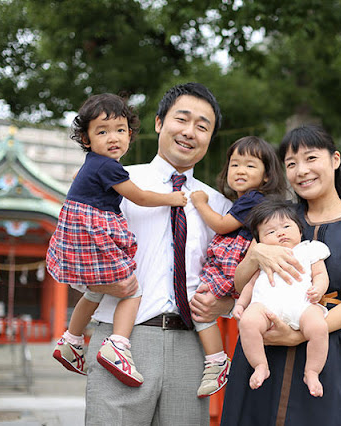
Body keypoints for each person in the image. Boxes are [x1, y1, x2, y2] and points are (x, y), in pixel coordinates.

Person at [83, 83, 235, 425]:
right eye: (182, 119)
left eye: (202, 126)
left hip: (190, 346)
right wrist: (104, 281)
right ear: (158, 123)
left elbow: (231, 280)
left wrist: (224, 304)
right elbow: (77, 257)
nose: (190, 132)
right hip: (123, 339)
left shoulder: (220, 208)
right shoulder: (116, 186)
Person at [220, 124, 341, 425]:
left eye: (310, 159)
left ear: (334, 160)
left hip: (324, 353)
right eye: (291, 164)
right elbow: (241, 284)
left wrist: (296, 336)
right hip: (262, 348)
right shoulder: (279, 217)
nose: (301, 171)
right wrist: (255, 254)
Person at [47, 93, 188, 387]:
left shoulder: (92, 164)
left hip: (78, 233)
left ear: (130, 134)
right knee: (131, 289)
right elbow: (139, 196)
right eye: (102, 131)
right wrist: (172, 198)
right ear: (86, 139)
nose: (114, 138)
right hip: (92, 232)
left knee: (97, 289)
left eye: (120, 130)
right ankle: (118, 346)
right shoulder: (108, 166)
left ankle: (71, 340)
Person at [189, 136, 286, 397]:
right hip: (239, 258)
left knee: (199, 302)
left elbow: (221, 225)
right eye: (235, 164)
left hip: (235, 259)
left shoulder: (253, 199)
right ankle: (216, 358)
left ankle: (217, 360)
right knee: (204, 303)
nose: (240, 170)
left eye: (250, 166)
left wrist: (199, 203)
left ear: (267, 176)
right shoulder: (248, 201)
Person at [233, 199, 330, 397]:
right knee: (248, 323)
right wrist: (241, 304)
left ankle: (312, 371)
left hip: (302, 304)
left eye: (286, 226)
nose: (280, 232)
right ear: (259, 241)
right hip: (265, 306)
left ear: (300, 230)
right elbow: (250, 284)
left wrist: (318, 289)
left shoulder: (309, 249)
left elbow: (320, 274)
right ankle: (260, 365)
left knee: (319, 327)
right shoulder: (264, 256)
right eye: (270, 231)